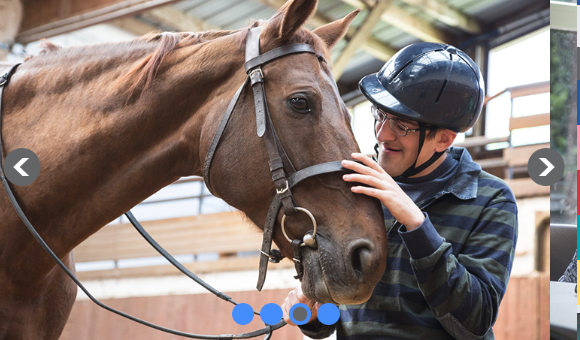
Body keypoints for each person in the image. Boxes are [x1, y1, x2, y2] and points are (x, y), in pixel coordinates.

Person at [281, 42, 518, 339]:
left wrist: (416, 224)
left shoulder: (491, 199)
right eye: (379, 115)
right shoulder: (355, 182)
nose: (382, 134)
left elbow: (474, 321)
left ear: (443, 139)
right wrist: (314, 315)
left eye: (401, 126)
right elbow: (343, 312)